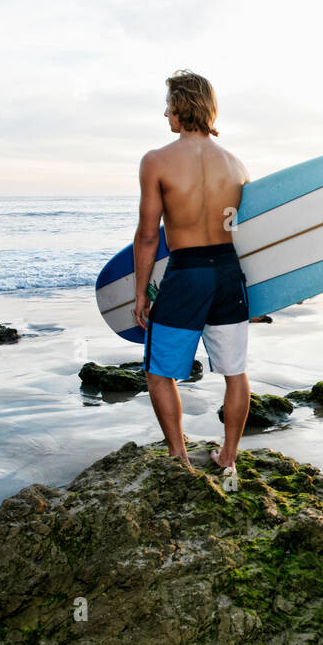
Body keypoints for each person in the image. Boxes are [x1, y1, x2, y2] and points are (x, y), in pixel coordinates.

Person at [133, 69, 251, 471]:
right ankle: (229, 458)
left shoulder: (157, 161)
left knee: (159, 371)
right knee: (235, 372)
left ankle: (178, 455)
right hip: (228, 273)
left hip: (187, 274)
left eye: (168, 105)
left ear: (181, 107)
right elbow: (245, 231)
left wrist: (140, 293)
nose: (165, 113)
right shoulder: (236, 165)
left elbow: (149, 236)